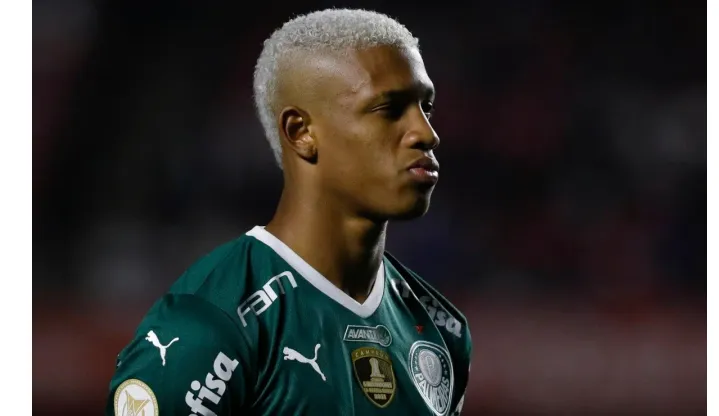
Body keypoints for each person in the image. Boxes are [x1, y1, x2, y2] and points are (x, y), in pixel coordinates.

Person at [106, 8, 472, 415]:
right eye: (388, 109)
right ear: (301, 132)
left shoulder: (440, 330)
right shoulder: (212, 326)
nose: (426, 133)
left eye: (427, 107)